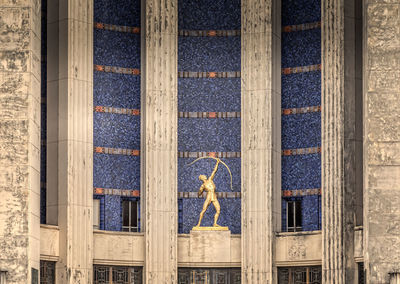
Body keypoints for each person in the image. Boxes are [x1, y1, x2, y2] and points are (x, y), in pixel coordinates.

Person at [195, 158, 222, 227]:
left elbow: (214, 171)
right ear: (202, 178)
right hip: (209, 197)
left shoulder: (210, 179)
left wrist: (217, 163)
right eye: (204, 176)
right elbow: (199, 194)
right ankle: (198, 224)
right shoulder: (203, 185)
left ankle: (215, 223)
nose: (205, 176)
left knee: (218, 210)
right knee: (204, 210)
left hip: (214, 197)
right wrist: (200, 190)